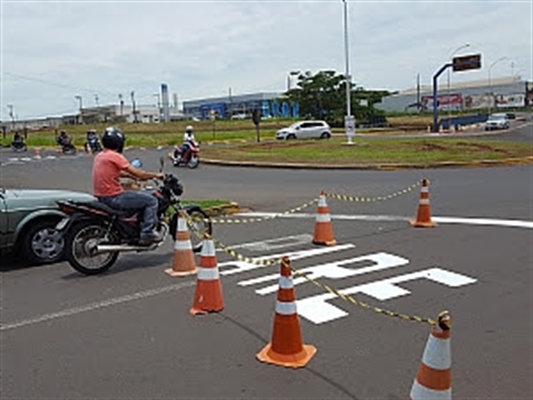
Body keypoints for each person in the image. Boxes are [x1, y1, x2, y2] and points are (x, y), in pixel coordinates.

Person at [93, 127, 164, 245]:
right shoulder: (115, 156)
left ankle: (136, 228)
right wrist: (156, 175)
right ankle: (147, 233)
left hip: (102, 196)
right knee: (151, 201)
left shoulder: (101, 155)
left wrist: (131, 176)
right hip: (114, 197)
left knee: (139, 197)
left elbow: (115, 172)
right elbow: (139, 173)